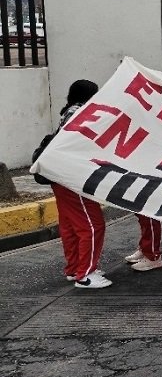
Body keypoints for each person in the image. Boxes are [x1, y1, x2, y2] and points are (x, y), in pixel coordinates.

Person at [51, 80, 110, 289]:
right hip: (73, 177)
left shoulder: (68, 112)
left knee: (70, 226)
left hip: (59, 175)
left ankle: (75, 268)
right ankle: (85, 275)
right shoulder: (81, 114)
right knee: (92, 226)